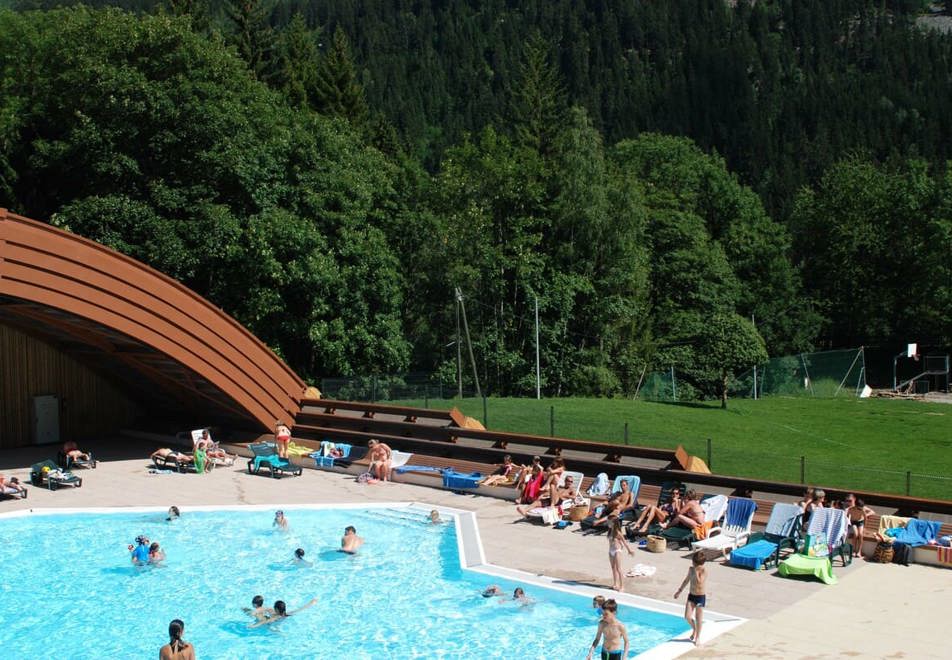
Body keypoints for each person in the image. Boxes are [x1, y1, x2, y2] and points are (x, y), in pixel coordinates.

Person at [674, 552, 707, 646]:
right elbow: (686, 580)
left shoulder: (704, 571)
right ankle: (695, 629)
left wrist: (696, 571)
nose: (692, 563)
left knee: (698, 618)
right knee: (687, 616)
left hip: (700, 597)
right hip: (691, 596)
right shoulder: (691, 569)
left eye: (694, 562)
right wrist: (679, 591)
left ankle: (698, 637)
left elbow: (700, 582)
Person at [249, 598, 317, 628]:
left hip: (270, 625)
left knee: (261, 616)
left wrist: (254, 626)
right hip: (277, 621)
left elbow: (265, 622)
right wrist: (311, 603)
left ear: (276, 609)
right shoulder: (287, 614)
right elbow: (300, 609)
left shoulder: (276, 617)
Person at [607, 518, 635, 591]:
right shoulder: (610, 531)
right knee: (613, 568)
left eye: (609, 522)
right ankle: (615, 584)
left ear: (614, 523)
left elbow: (624, 542)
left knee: (618, 569)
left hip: (617, 551)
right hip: (611, 551)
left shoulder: (618, 533)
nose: (608, 523)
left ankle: (622, 586)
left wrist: (629, 550)